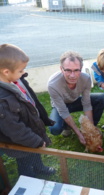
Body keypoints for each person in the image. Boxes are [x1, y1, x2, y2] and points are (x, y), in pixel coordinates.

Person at [0, 44, 55, 177]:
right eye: (21, 70)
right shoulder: (2, 100)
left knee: (35, 154)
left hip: (31, 129)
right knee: (25, 160)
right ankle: (28, 179)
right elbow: (14, 129)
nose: (23, 73)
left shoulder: (15, 80)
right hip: (21, 141)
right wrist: (35, 141)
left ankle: (39, 168)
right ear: (6, 71)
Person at [48, 51, 104, 144]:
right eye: (68, 70)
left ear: (81, 68)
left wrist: (90, 130)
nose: (72, 75)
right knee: (54, 129)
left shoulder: (86, 78)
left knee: (102, 98)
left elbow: (86, 104)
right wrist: (79, 133)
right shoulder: (53, 84)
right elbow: (63, 111)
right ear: (61, 69)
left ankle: (92, 126)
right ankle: (66, 127)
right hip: (60, 105)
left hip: (75, 101)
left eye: (76, 70)